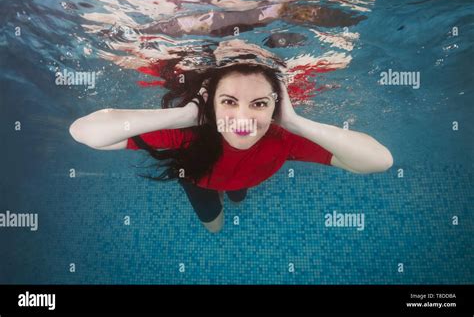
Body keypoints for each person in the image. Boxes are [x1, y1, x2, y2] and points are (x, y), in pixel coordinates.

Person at [69, 62, 393, 233]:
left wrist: (295, 123)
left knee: (239, 194)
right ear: (211, 104)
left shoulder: (284, 136)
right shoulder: (186, 134)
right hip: (198, 179)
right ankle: (226, 201)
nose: (243, 119)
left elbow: (379, 160)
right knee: (215, 226)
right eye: (229, 102)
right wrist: (183, 115)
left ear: (275, 107)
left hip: (248, 177)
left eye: (258, 104)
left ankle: (237, 193)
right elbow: (85, 131)